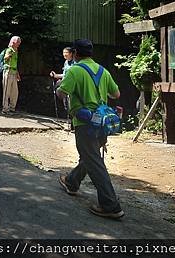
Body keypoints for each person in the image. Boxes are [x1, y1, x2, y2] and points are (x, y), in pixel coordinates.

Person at [56, 39, 124, 219]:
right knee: (91, 156)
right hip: (102, 124)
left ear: (76, 53)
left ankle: (110, 205)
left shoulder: (74, 71)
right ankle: (71, 182)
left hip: (85, 123)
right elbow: (116, 94)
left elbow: (61, 93)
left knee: (93, 161)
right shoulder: (103, 71)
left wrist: (61, 89)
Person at [2, 36, 21, 115]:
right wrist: (10, 55)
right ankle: (5, 109)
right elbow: (5, 59)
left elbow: (15, 64)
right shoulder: (9, 50)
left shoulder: (16, 51)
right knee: (7, 91)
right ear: (13, 42)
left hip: (13, 72)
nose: (19, 44)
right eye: (18, 42)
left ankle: (12, 108)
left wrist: (17, 74)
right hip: (8, 72)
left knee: (15, 92)